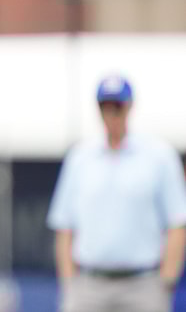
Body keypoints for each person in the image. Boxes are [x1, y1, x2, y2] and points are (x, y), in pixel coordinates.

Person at [47, 75, 186, 312]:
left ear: (129, 107)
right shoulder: (80, 158)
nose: (111, 114)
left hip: (143, 283)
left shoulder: (158, 157)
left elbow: (177, 223)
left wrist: (166, 281)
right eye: (106, 107)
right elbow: (64, 226)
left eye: (117, 107)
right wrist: (70, 282)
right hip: (90, 283)